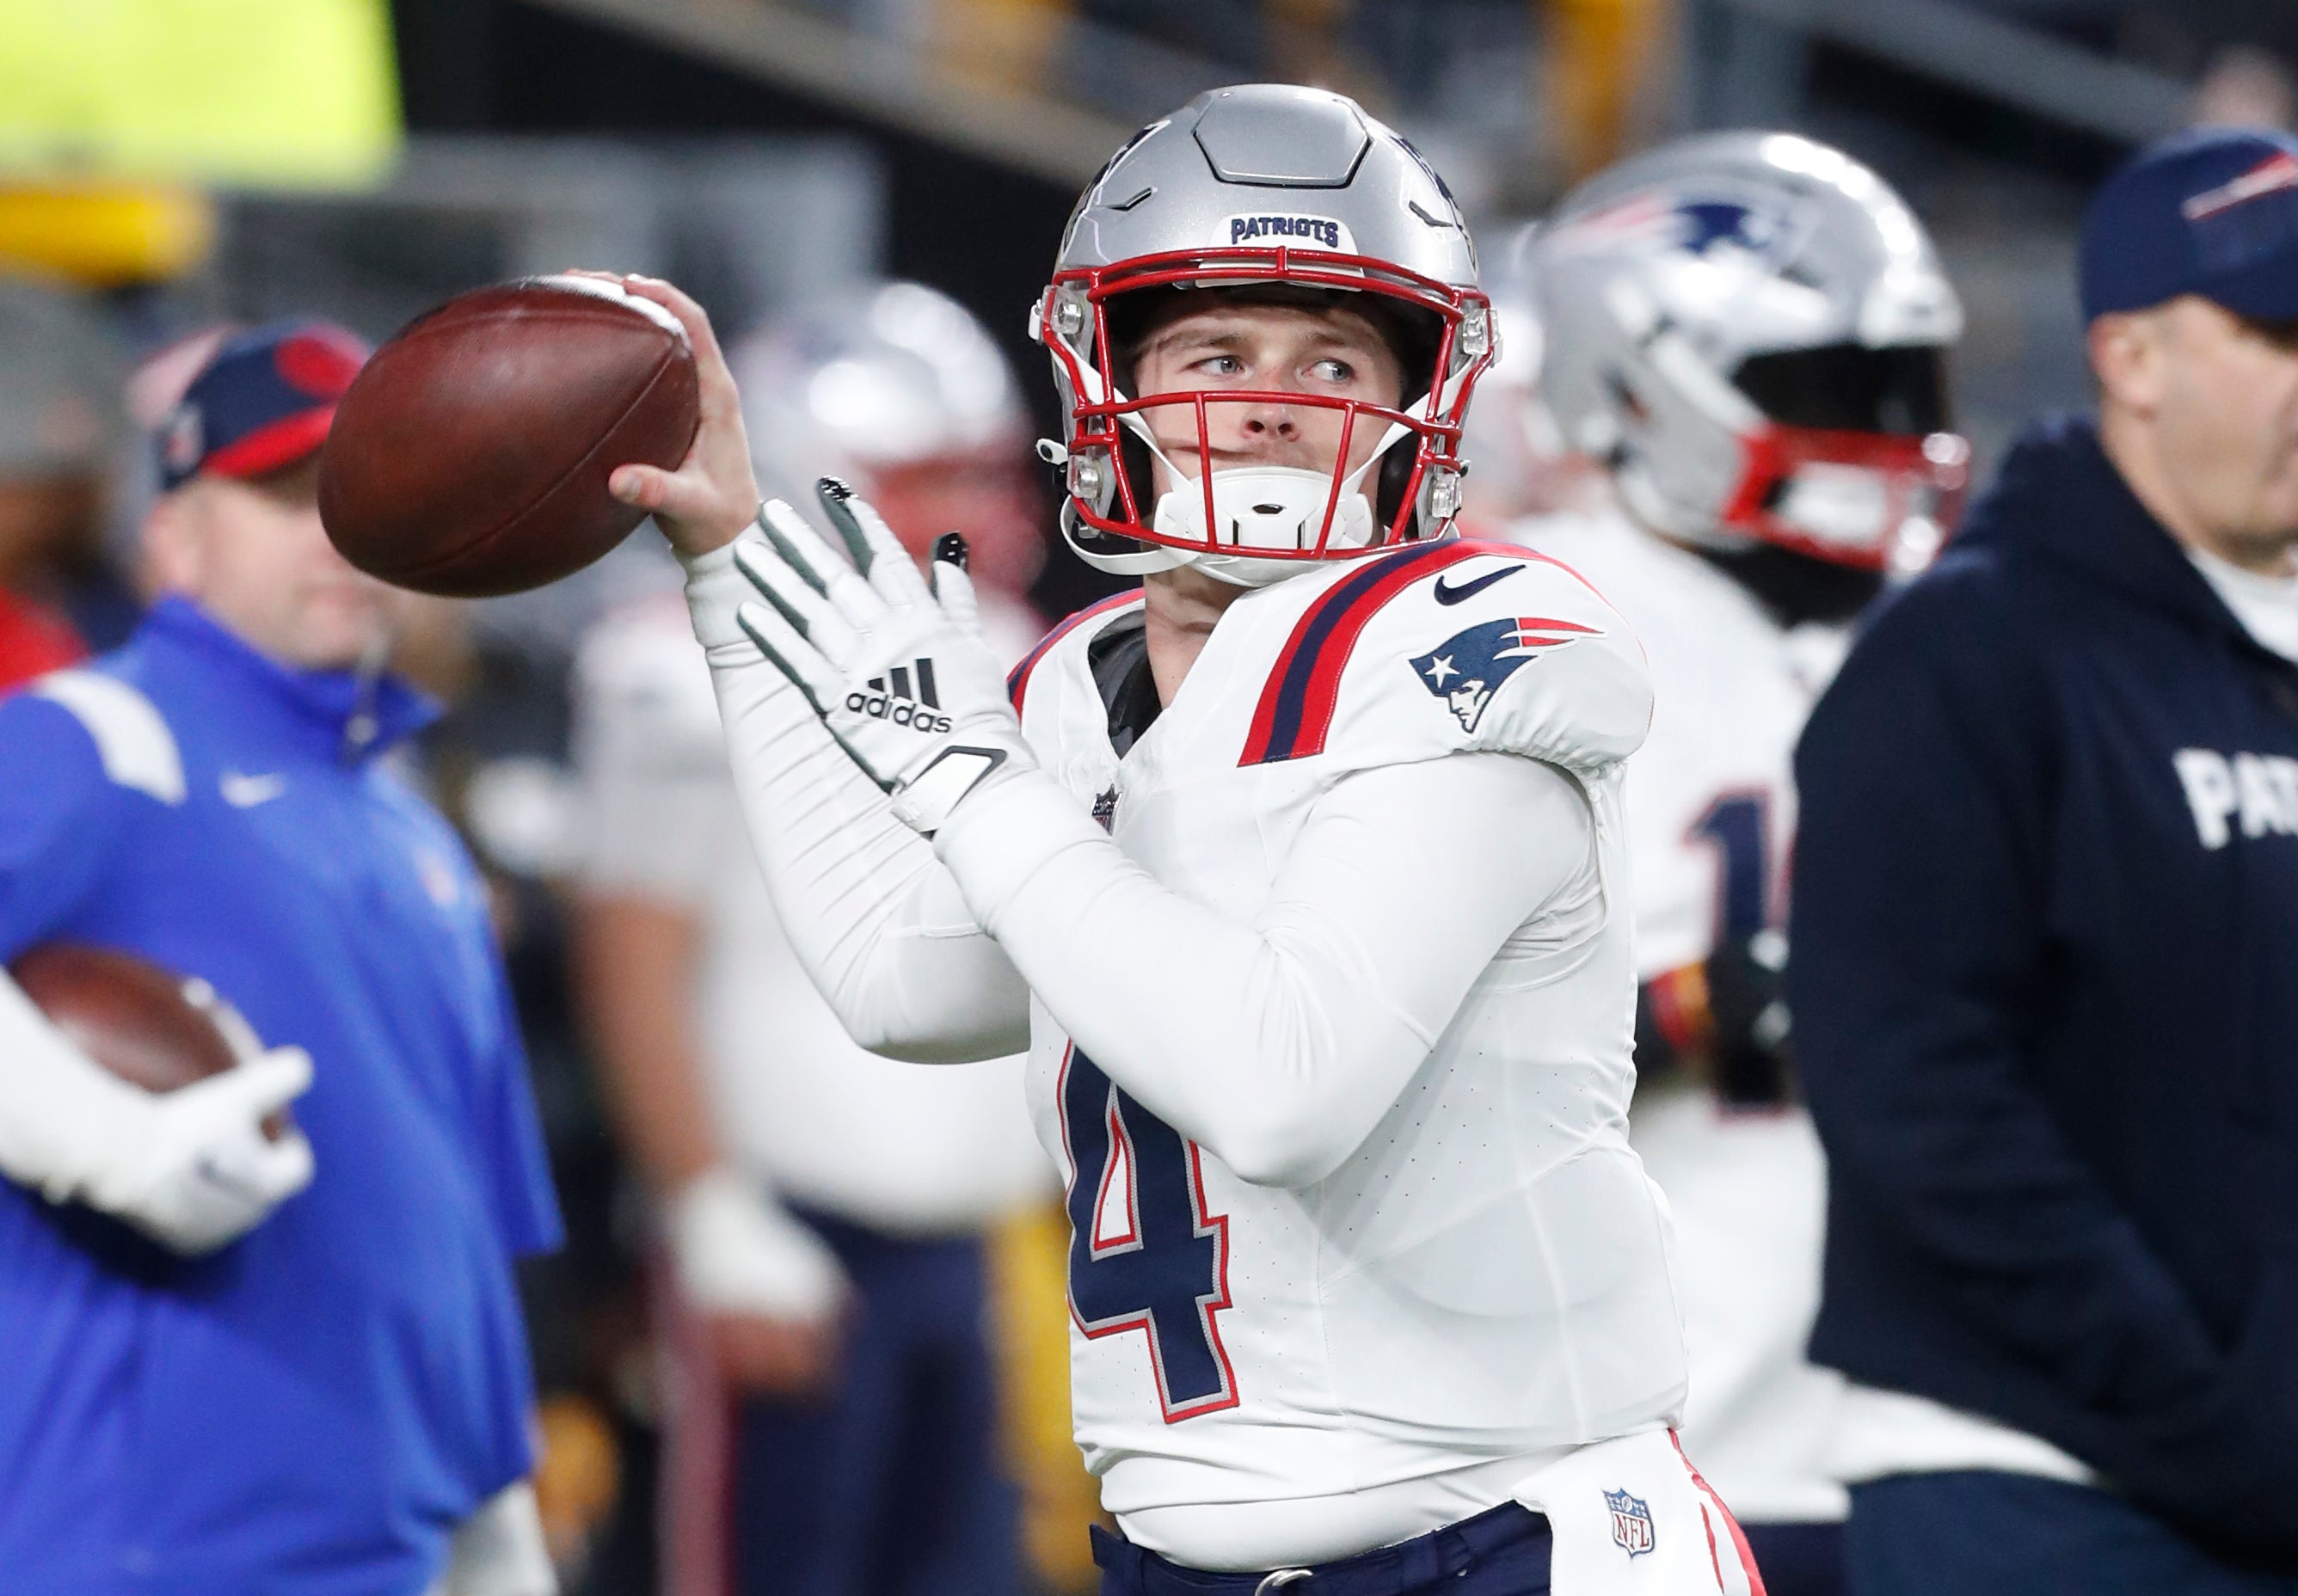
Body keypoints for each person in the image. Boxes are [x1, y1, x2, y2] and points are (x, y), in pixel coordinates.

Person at [599, 83, 1766, 1596]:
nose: (1273, 402)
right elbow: (905, 978)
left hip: (1500, 1537)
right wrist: (734, 571)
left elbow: (1280, 1089)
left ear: (1420, 401)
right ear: (1106, 384)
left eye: (1333, 356)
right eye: (1216, 352)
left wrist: (968, 776)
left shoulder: (1483, 645)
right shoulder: (1081, 692)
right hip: (1196, 1550)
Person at [1790, 124, 2298, 1593]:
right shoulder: (1966, 650)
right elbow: (1916, 1096)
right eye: (2273, 332)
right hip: (2034, 1486)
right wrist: (2209, 1407)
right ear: (2129, 357)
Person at [0, 321, 563, 1596]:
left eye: (371, 490)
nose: (337, 528)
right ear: (172, 538)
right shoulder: (99, 741)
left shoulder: (406, 822)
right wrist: (96, 1137)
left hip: (394, 1548)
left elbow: (458, 1232)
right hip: (147, 1551)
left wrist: (495, 1519)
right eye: (282, 490)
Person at [1517, 132, 1970, 1596]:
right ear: (1642, 383)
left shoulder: (1942, 636)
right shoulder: (1510, 627)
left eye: (1905, 385)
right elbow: (1378, 1048)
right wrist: (1696, 1004)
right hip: (1628, 1451)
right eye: (1834, 388)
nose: (1886, 431)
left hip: (1915, 1434)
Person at [569, 280, 1061, 1596]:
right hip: (793, 1234)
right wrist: (710, 1208)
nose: (982, 507)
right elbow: (631, 950)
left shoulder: (1011, 649)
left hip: (974, 1248)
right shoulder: (698, 660)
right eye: (929, 474)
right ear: (816, 478)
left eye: (988, 469)